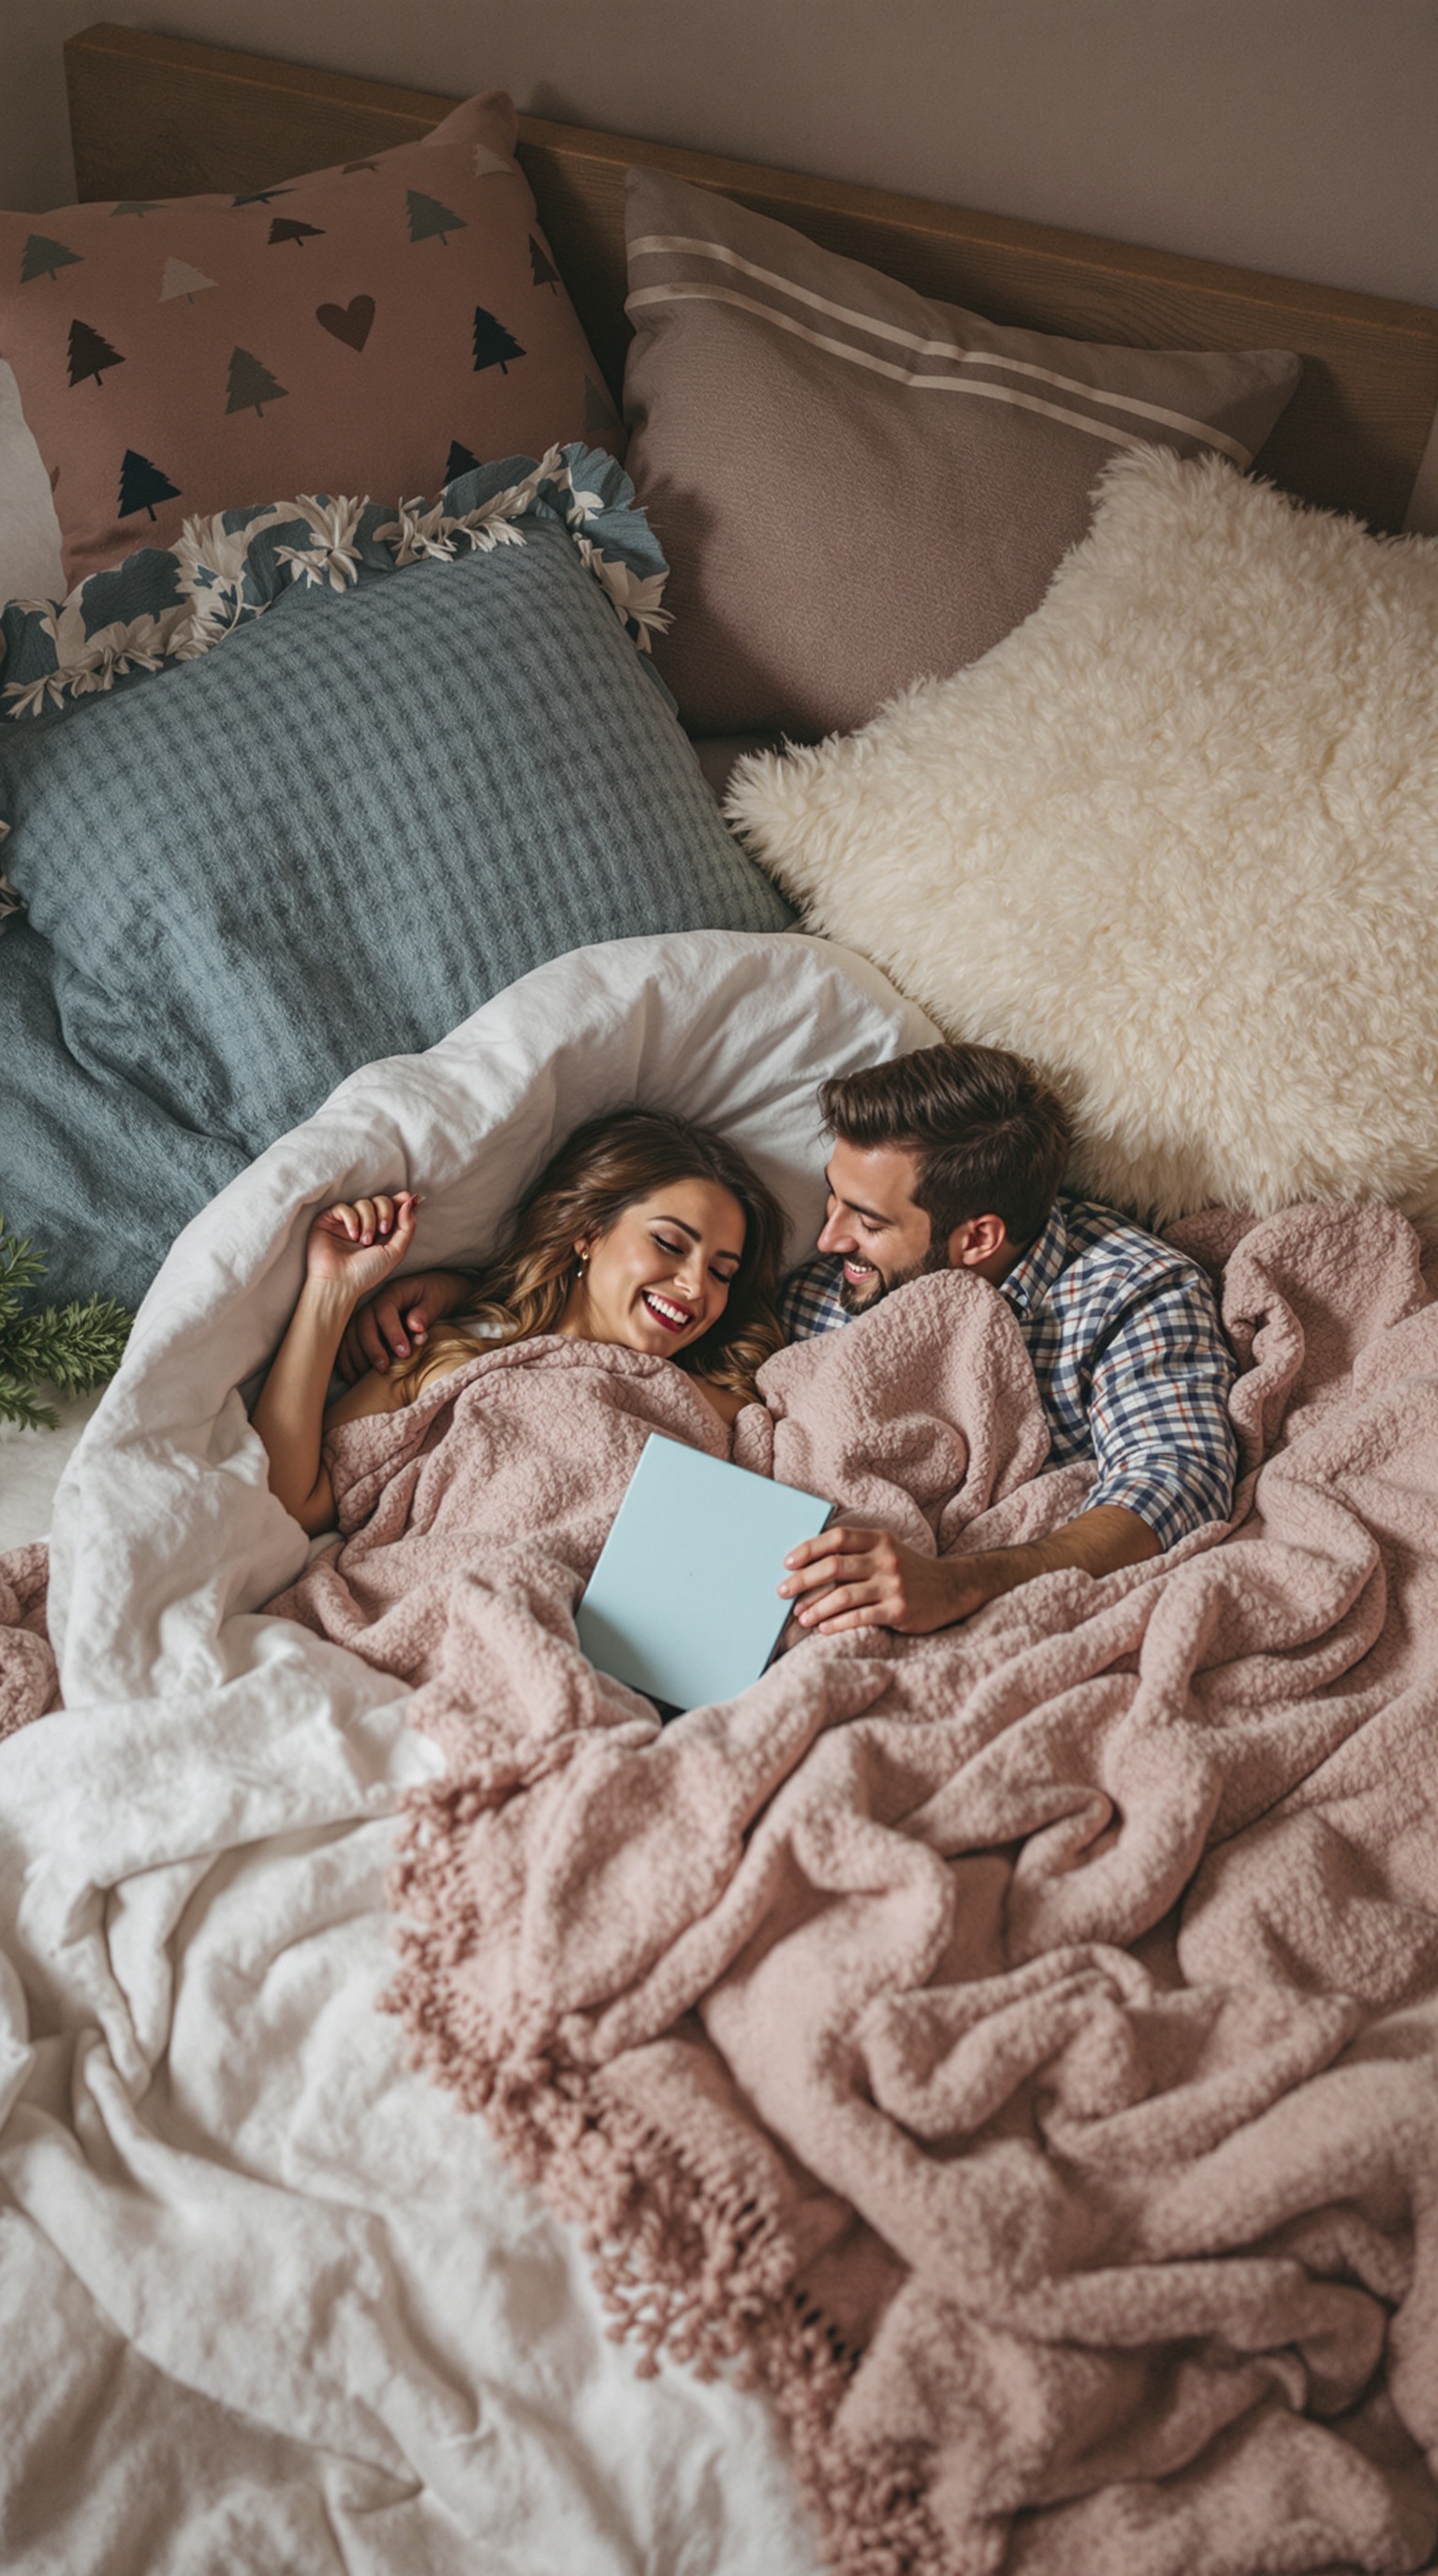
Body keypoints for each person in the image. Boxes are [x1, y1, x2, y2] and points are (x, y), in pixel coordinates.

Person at [335, 1043, 1239, 1634]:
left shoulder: (1133, 1291)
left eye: (866, 1219)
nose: (830, 1235)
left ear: (976, 1240)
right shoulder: (823, 1288)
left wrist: (957, 1583)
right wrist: (463, 1296)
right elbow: (629, 1344)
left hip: (980, 1586)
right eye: (832, 1197)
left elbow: (1178, 1483)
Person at [255, 1109, 785, 1535]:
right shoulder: (443, 1355)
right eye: (670, 1244)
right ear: (588, 1231)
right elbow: (294, 1503)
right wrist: (331, 1293)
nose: (696, 1287)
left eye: (721, 1272)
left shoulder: (721, 1407)